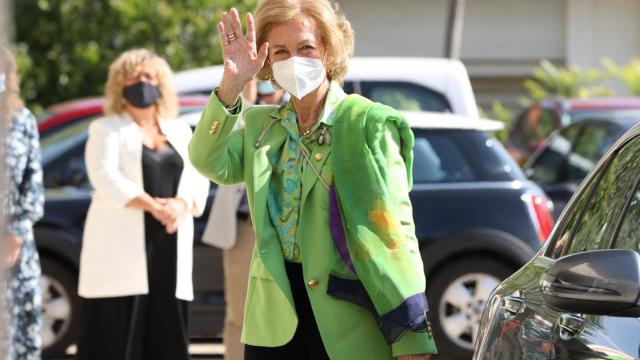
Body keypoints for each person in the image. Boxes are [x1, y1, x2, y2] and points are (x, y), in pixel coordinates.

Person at [189, 1, 438, 359]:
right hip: (274, 319)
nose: (295, 59)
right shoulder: (262, 126)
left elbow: (393, 235)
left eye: (306, 47)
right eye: (281, 51)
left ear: (328, 48)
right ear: (267, 62)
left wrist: (412, 335)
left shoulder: (367, 124)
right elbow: (206, 160)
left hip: (347, 316)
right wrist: (232, 83)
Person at [76, 48, 209, 360]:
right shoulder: (106, 129)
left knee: (166, 335)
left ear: (161, 83)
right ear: (119, 86)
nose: (142, 82)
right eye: (133, 76)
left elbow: (199, 174)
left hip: (170, 242)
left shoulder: (178, 129)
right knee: (118, 340)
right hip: (121, 251)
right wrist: (154, 206)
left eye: (148, 76)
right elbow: (104, 176)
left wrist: (180, 204)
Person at [201, 79, 286, 360]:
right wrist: (245, 97)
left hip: (285, 229)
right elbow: (224, 148)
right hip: (243, 230)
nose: (265, 83)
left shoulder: (297, 112)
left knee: (286, 312)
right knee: (239, 313)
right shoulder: (243, 112)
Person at [1, 47, 45, 360]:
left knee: (19, 334)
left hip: (12, 246)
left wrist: (15, 231)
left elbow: (32, 180)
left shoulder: (21, 120)